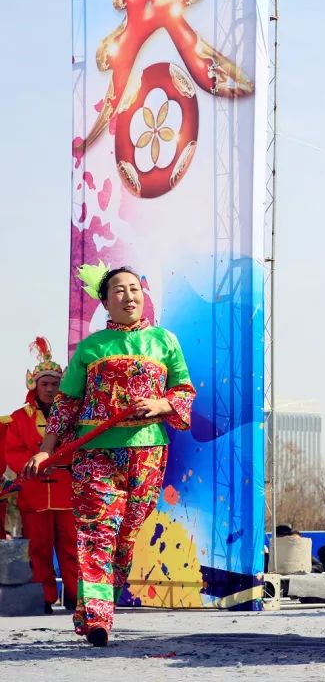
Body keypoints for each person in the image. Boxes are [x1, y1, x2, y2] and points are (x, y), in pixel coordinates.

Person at [23, 266, 195, 647]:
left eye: (135, 289)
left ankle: (95, 609)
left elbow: (184, 391)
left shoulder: (164, 341)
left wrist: (160, 402)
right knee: (98, 533)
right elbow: (67, 403)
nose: (129, 296)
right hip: (96, 452)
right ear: (105, 301)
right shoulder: (90, 347)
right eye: (119, 290)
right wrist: (45, 449)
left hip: (148, 452)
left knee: (126, 537)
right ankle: (100, 620)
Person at [3, 337, 78, 612]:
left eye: (54, 383)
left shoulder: (74, 415)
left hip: (67, 490)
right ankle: (45, 597)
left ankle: (75, 595)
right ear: (34, 385)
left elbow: (78, 449)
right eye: (44, 384)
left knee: (72, 547)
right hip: (34, 492)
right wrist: (34, 463)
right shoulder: (19, 418)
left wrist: (55, 457)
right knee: (39, 549)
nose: (49, 389)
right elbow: (13, 452)